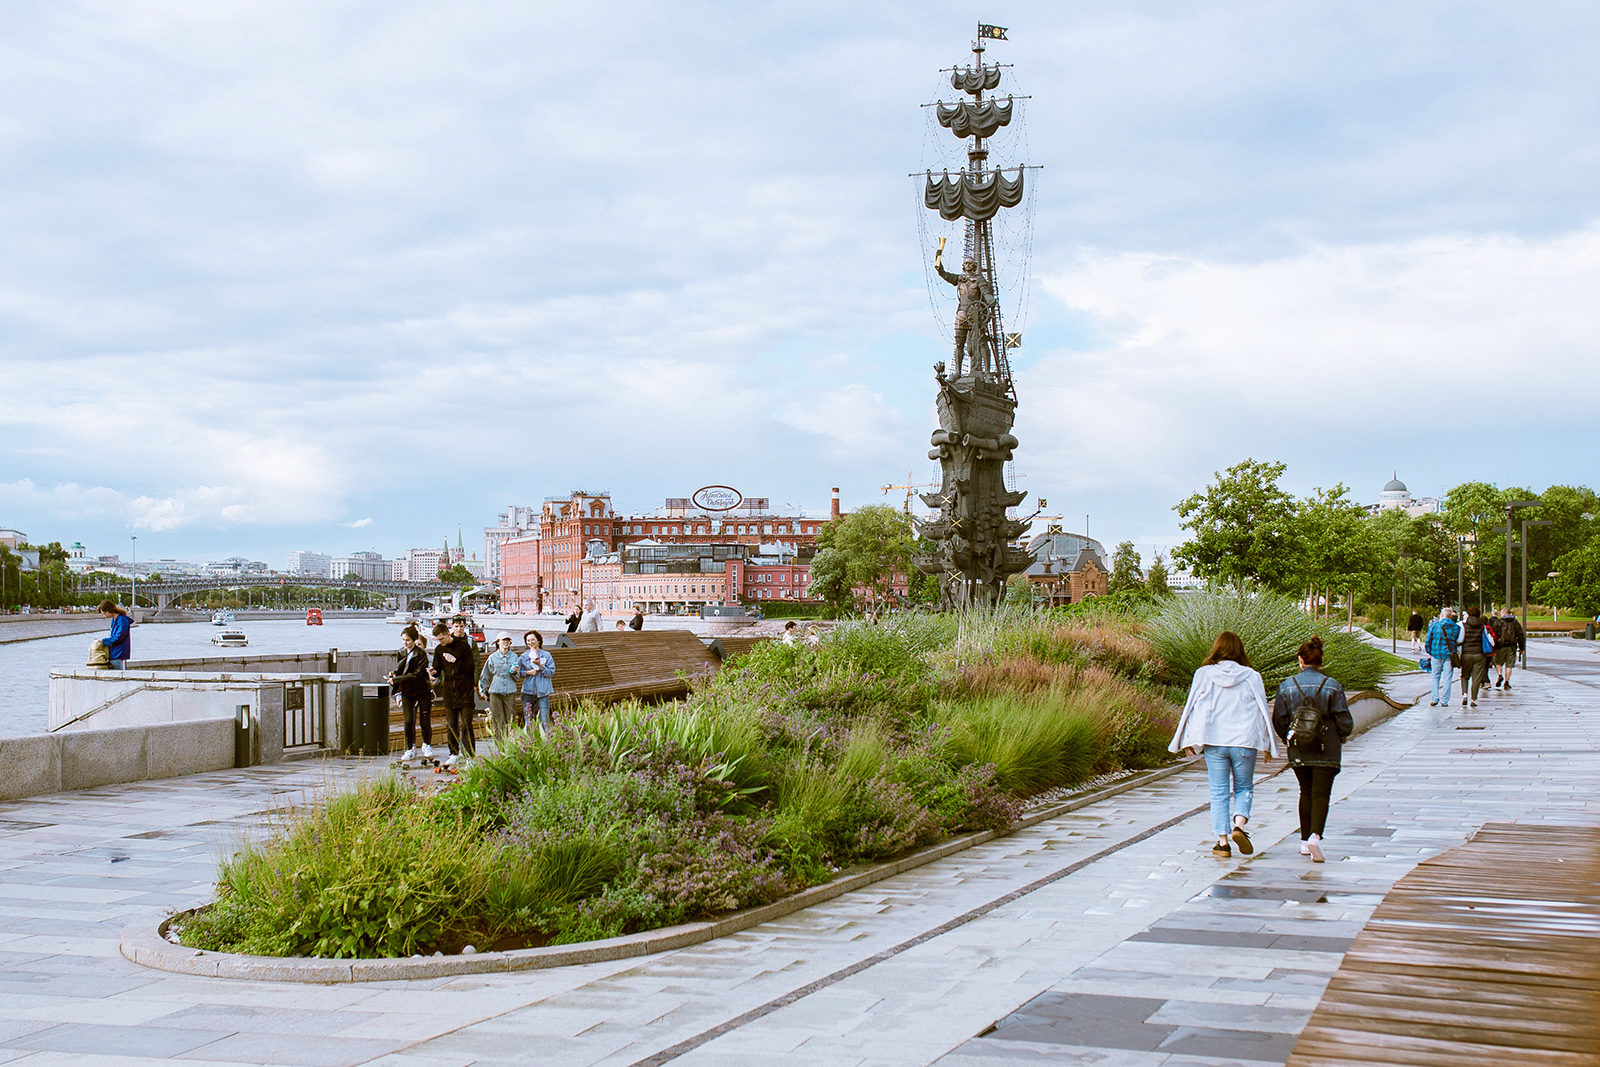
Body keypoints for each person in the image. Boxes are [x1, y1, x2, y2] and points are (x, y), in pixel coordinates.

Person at [1168, 631, 1282, 857]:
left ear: (1217, 649)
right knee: (1244, 786)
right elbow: (1262, 710)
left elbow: (1192, 707)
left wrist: (1186, 739)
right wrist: (1268, 744)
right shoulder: (1251, 676)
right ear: (1240, 650)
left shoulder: (1203, 674)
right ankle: (1239, 825)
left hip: (1215, 743)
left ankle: (1222, 842)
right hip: (1245, 742)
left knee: (1218, 791)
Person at [1272, 636, 1353, 863]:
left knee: (1305, 791)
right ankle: (1315, 837)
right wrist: (1340, 737)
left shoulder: (1287, 686)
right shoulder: (1332, 685)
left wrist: (1290, 739)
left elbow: (1279, 719)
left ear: (1300, 660)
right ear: (1320, 661)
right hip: (1327, 747)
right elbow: (1345, 721)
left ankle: (1303, 842)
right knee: (1321, 794)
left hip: (1300, 748)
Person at [933, 241, 996, 377]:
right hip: (962, 314)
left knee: (981, 341)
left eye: (970, 262)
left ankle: (986, 372)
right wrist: (938, 259)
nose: (968, 264)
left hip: (976, 314)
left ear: (974, 265)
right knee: (959, 344)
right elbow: (944, 274)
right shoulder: (959, 279)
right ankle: (958, 372)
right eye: (966, 262)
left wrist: (990, 299)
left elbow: (985, 292)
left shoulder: (978, 279)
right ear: (963, 266)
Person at [430, 617, 478, 767]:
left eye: (442, 638)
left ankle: (470, 755)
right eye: (438, 640)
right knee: (451, 724)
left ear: (447, 633)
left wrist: (455, 661)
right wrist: (433, 672)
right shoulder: (439, 649)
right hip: (449, 692)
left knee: (466, 724)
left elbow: (471, 667)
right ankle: (453, 753)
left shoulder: (463, 646)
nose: (441, 642)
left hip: (465, 691)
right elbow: (437, 670)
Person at [390, 627, 434, 761]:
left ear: (414, 640)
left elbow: (417, 674)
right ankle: (409, 748)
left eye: (408, 640)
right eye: (403, 640)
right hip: (407, 691)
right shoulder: (401, 652)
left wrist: (396, 679)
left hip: (422, 690)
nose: (405, 643)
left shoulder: (421, 654)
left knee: (424, 719)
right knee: (408, 720)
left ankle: (426, 744)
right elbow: (401, 670)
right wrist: (395, 680)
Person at [477, 632, 522, 739]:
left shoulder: (515, 657)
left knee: (510, 720)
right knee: (498, 721)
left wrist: (514, 672)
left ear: (510, 642)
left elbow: (517, 677)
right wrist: (483, 690)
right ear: (498, 642)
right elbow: (485, 674)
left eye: (507, 640)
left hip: (510, 692)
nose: (505, 642)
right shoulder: (492, 657)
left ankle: (509, 745)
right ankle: (500, 748)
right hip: (495, 693)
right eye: (503, 640)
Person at [517, 629, 556, 735]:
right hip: (527, 692)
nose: (531, 643)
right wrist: (528, 672)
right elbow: (518, 673)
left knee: (544, 720)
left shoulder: (546, 655)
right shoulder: (523, 657)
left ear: (538, 641)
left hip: (543, 692)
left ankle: (546, 742)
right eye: (528, 641)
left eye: (533, 640)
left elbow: (550, 672)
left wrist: (540, 667)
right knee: (528, 720)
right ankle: (530, 743)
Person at [1423, 607, 1460, 707]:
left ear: (1442, 615)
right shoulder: (1456, 627)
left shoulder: (1434, 625)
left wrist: (1429, 651)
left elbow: (1428, 640)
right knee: (1447, 678)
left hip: (1436, 653)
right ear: (1451, 615)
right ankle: (1444, 701)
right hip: (1449, 655)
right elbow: (1457, 641)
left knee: (1435, 676)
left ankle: (1435, 698)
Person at [1457, 606, 1492, 708]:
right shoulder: (1482, 626)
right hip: (1479, 654)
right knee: (1476, 678)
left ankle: (1465, 695)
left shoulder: (1463, 625)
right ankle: (1473, 699)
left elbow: (1459, 640)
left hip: (1466, 654)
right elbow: (1487, 639)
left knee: (1464, 675)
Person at [1494, 606, 1525, 690]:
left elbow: (1494, 634)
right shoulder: (1515, 623)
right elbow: (1521, 636)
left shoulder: (1499, 622)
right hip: (1512, 647)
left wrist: (1494, 645)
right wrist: (1522, 648)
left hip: (1500, 646)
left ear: (1503, 614)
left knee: (1498, 662)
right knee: (1509, 665)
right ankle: (1507, 682)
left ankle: (1500, 675)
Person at [97, 599, 131, 669]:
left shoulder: (122, 620)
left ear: (110, 610)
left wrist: (104, 641)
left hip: (119, 653)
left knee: (119, 675)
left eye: (104, 613)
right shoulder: (115, 619)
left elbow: (119, 637)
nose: (104, 615)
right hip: (115, 653)